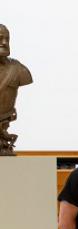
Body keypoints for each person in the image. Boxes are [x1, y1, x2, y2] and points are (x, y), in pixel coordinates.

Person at [0, 24, 33, 154]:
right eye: (0, 38)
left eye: (7, 39)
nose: (4, 42)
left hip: (5, 121)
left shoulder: (18, 70)